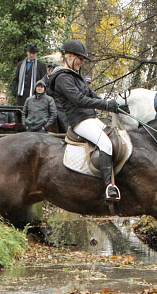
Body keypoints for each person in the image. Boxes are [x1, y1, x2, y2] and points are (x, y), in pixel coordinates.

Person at [48, 39, 127, 202]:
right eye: (80, 59)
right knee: (105, 144)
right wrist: (105, 105)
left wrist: (115, 106)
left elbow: (91, 94)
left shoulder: (76, 76)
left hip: (91, 118)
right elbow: (78, 100)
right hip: (79, 121)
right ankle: (108, 187)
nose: (82, 62)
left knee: (115, 138)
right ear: (69, 56)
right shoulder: (62, 77)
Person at [13, 44, 47, 110]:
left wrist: (39, 94)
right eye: (30, 53)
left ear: (36, 54)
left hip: (34, 96)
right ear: (27, 52)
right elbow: (16, 79)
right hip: (21, 96)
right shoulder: (20, 64)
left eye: (33, 53)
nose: (31, 55)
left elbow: (43, 81)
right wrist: (16, 90)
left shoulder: (41, 65)